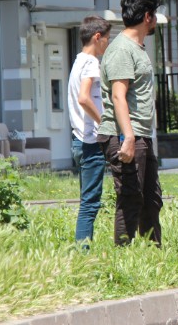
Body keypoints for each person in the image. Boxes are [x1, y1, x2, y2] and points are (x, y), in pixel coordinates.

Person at [96, 0, 163, 246]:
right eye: (154, 15)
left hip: (139, 134)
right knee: (131, 198)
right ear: (147, 17)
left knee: (151, 198)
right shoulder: (122, 49)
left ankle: (152, 254)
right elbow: (118, 96)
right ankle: (123, 256)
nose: (155, 20)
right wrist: (129, 137)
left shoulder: (136, 48)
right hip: (125, 134)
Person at [67, 15, 111, 245]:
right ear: (97, 37)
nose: (107, 44)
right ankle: (82, 252)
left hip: (78, 139)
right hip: (90, 142)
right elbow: (84, 98)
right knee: (90, 203)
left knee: (87, 201)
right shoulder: (92, 63)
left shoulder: (78, 62)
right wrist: (104, 121)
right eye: (107, 39)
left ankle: (82, 249)